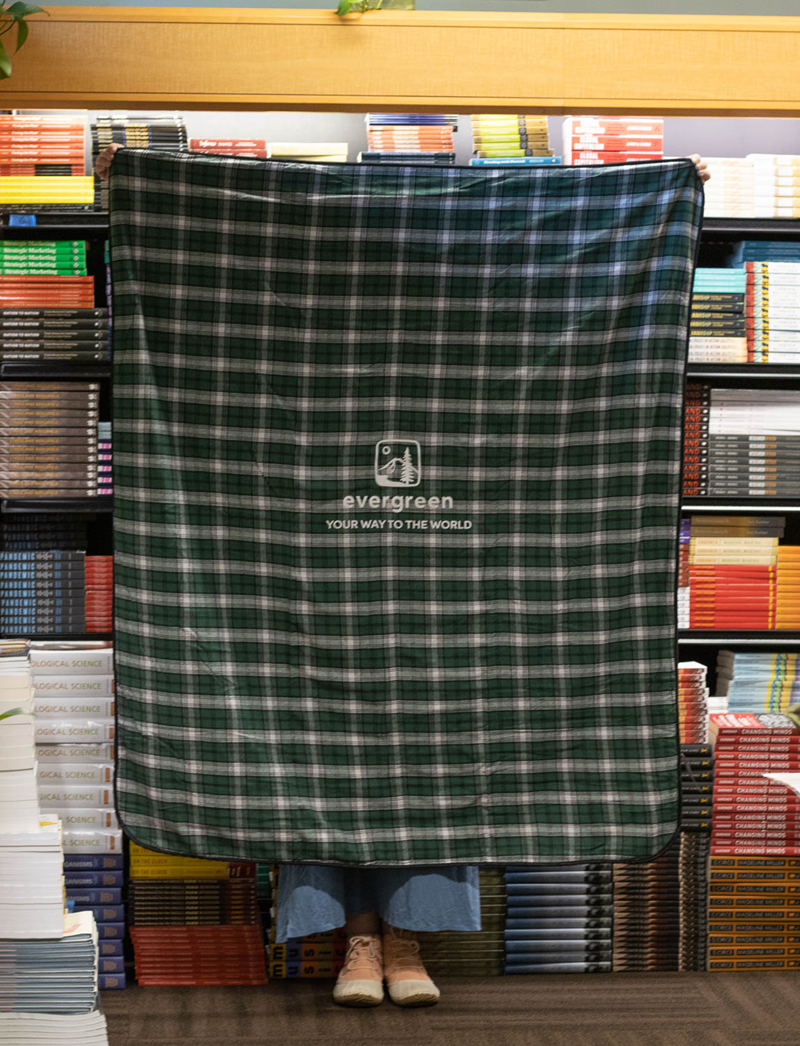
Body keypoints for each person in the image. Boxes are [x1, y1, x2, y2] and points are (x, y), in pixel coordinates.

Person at [96, 144, 711, 1008]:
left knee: (440, 730)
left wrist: (663, 190)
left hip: (447, 574)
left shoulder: (477, 247)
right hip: (306, 562)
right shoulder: (322, 278)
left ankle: (406, 938)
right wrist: (146, 181)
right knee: (305, 727)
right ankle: (357, 940)